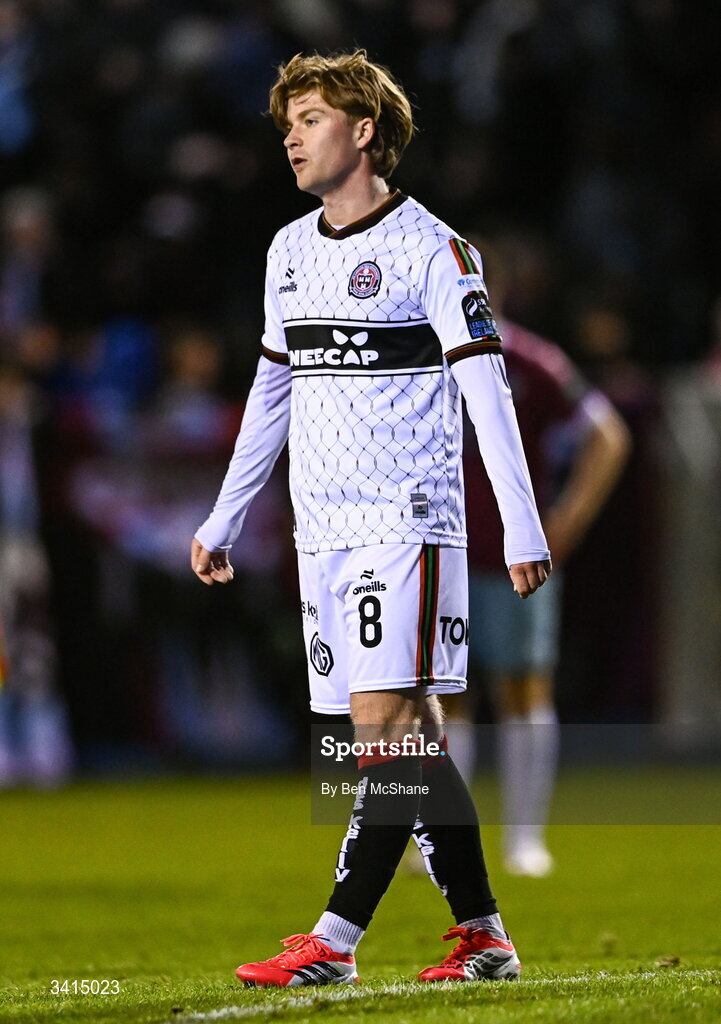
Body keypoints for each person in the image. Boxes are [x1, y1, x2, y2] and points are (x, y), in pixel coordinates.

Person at [191, 51, 550, 987]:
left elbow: (488, 389)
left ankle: (334, 942)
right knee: (407, 742)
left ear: (361, 130)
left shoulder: (436, 250)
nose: (291, 138)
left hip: (407, 518)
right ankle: (485, 936)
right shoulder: (288, 250)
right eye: (285, 125)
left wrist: (519, 523)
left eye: (308, 119)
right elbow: (270, 393)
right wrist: (223, 516)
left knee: (383, 733)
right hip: (324, 528)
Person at [446, 244, 631, 876]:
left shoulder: (531, 360)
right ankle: (444, 841)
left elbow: (607, 436)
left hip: (513, 558)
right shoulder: (421, 360)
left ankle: (525, 839)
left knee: (523, 688)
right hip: (441, 550)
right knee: (448, 696)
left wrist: (568, 522)